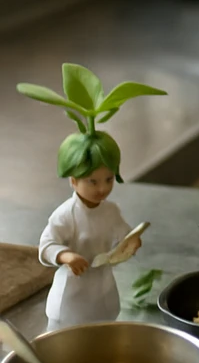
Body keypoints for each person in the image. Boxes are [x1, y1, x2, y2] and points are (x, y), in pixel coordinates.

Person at [18, 63, 165, 328]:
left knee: (101, 332)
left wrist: (131, 242)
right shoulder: (66, 215)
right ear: (73, 180)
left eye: (109, 179)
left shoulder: (111, 210)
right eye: (93, 181)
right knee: (65, 338)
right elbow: (47, 244)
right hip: (72, 293)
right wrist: (66, 256)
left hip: (103, 288)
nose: (102, 188)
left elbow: (123, 233)